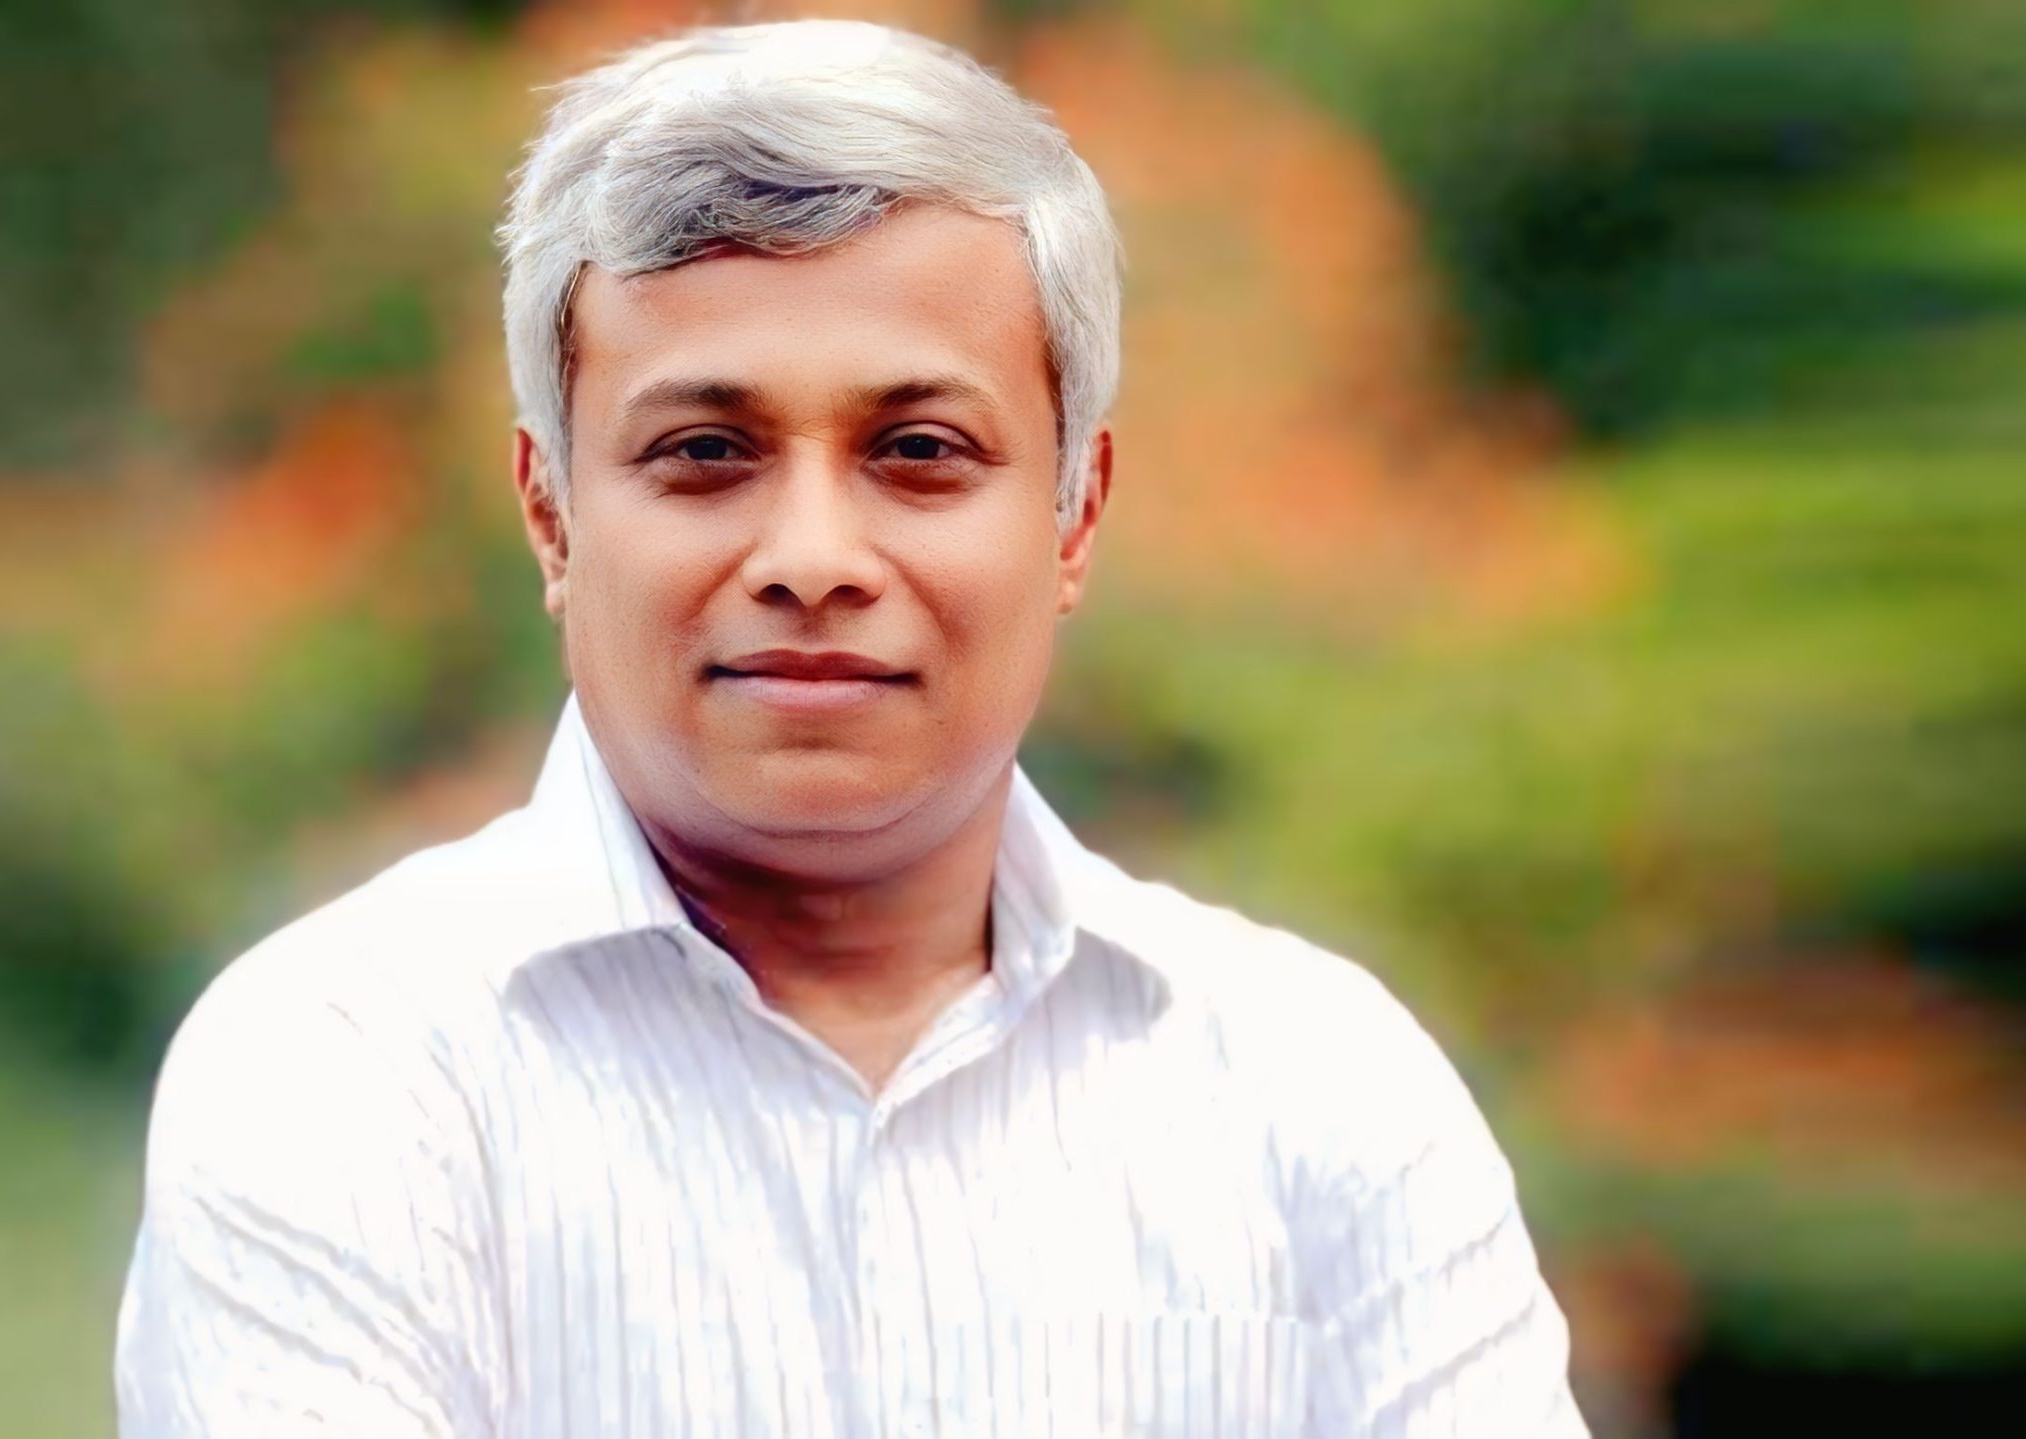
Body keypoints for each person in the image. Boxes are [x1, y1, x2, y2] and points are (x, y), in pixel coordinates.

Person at [115, 17, 1587, 1437]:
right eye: (706, 451)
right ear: (552, 514)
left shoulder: (1317, 1091)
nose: (812, 558)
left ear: (1074, 516)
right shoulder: (347, 1074)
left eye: (919, 450)